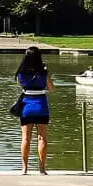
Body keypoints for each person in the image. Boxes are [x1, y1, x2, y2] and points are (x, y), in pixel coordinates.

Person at [15, 46, 54, 175]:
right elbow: (52, 88)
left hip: (27, 105)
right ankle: (42, 168)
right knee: (42, 138)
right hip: (41, 105)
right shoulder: (43, 72)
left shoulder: (21, 73)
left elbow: (21, 86)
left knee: (26, 138)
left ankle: (24, 168)